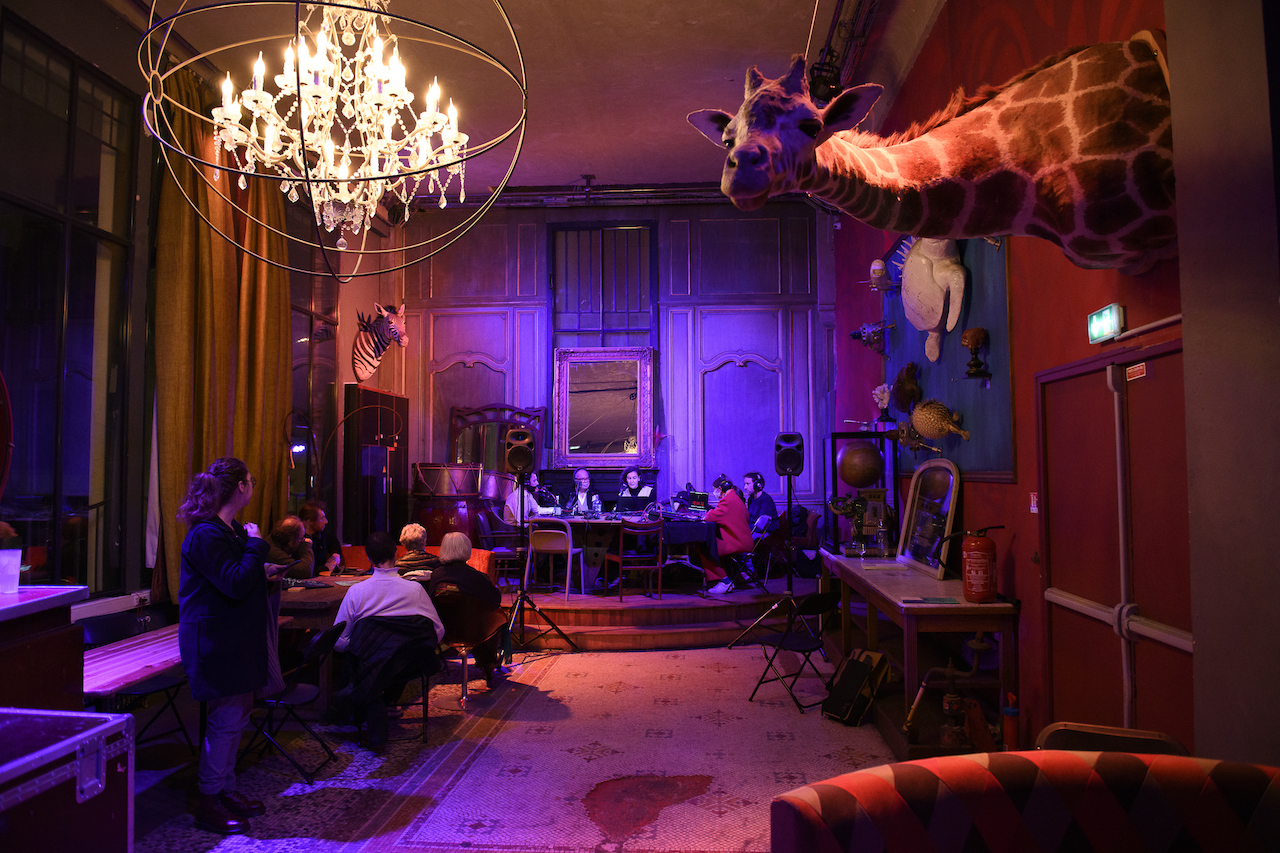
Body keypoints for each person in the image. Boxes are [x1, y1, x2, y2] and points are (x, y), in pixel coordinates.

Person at [176, 457, 277, 835]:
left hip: (233, 636)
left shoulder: (229, 530)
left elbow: (235, 577)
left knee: (236, 716)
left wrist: (260, 568)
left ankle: (225, 790)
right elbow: (233, 583)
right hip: (216, 641)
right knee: (225, 719)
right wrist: (257, 546)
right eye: (251, 481)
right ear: (240, 487)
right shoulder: (206, 534)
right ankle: (209, 801)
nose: (253, 487)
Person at [331, 531, 444, 749]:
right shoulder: (415, 590)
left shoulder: (356, 592)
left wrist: (366, 646)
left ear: (368, 558)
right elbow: (437, 632)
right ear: (396, 553)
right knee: (386, 660)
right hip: (407, 666)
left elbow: (339, 641)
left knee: (363, 664)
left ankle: (370, 704)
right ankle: (382, 699)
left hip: (368, 667)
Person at [428, 532, 506, 687]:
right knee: (490, 619)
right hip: (473, 632)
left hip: (443, 631)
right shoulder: (478, 577)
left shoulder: (436, 576)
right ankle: (488, 661)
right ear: (466, 549)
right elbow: (495, 600)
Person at [701, 474, 755, 595]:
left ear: (720, 488)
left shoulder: (727, 500)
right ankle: (725, 577)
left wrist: (707, 513)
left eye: (715, 489)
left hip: (737, 543)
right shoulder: (735, 497)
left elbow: (710, 517)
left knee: (704, 546)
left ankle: (724, 581)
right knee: (712, 543)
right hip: (742, 540)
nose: (715, 492)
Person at [300, 500, 342, 574]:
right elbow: (303, 570)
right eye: (322, 518)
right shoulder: (298, 540)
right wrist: (326, 568)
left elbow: (333, 541)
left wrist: (336, 555)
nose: (326, 521)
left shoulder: (321, 535)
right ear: (310, 521)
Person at [742, 471, 779, 537]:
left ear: (757, 484)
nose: (745, 487)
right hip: (755, 530)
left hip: (766, 533)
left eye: (748, 484)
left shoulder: (766, 499)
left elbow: (762, 525)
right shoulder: (751, 498)